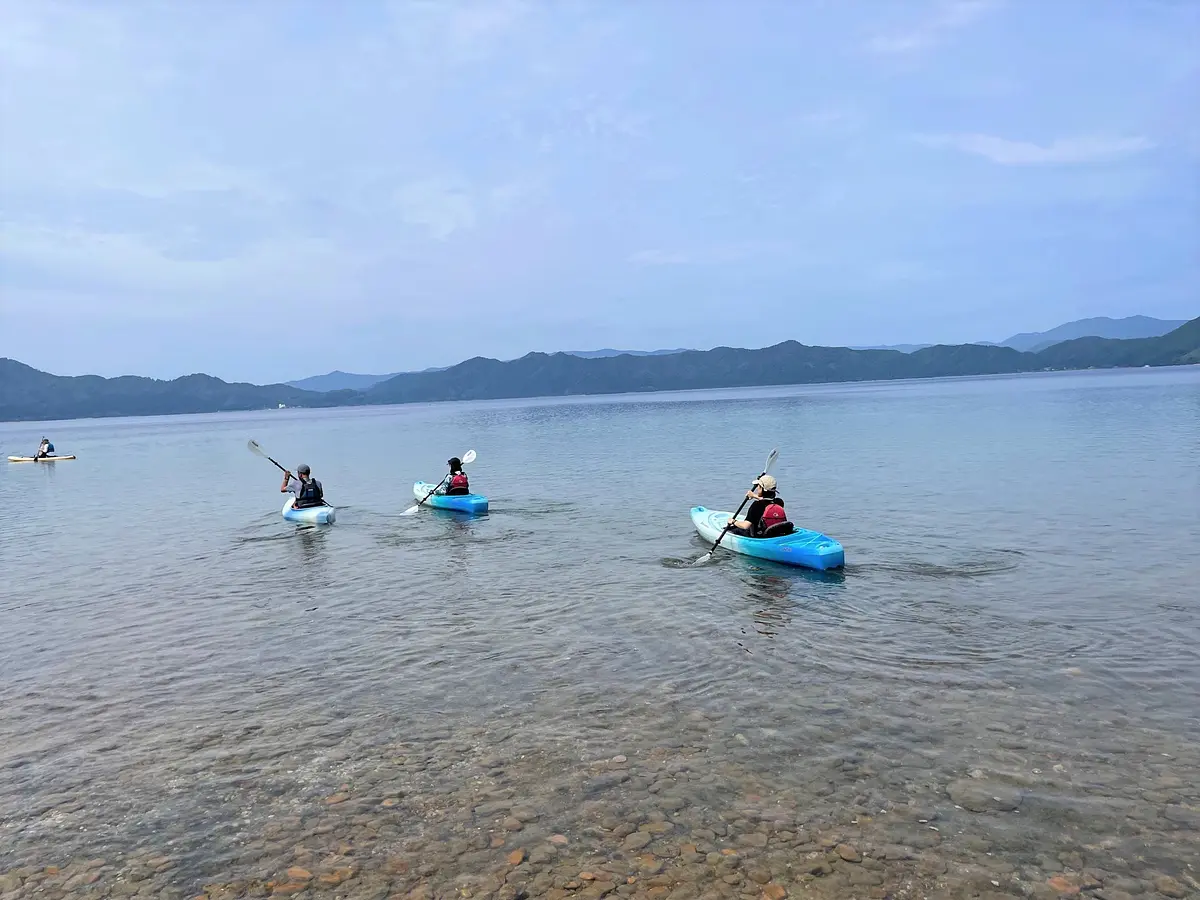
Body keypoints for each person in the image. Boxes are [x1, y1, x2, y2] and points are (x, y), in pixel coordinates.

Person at [728, 474, 793, 538]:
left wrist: (733, 521)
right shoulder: (779, 502)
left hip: (760, 537)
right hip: (776, 533)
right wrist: (754, 496)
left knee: (732, 529)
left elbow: (745, 526)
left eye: (758, 486)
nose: (757, 488)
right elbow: (768, 501)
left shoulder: (756, 505)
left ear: (762, 489)